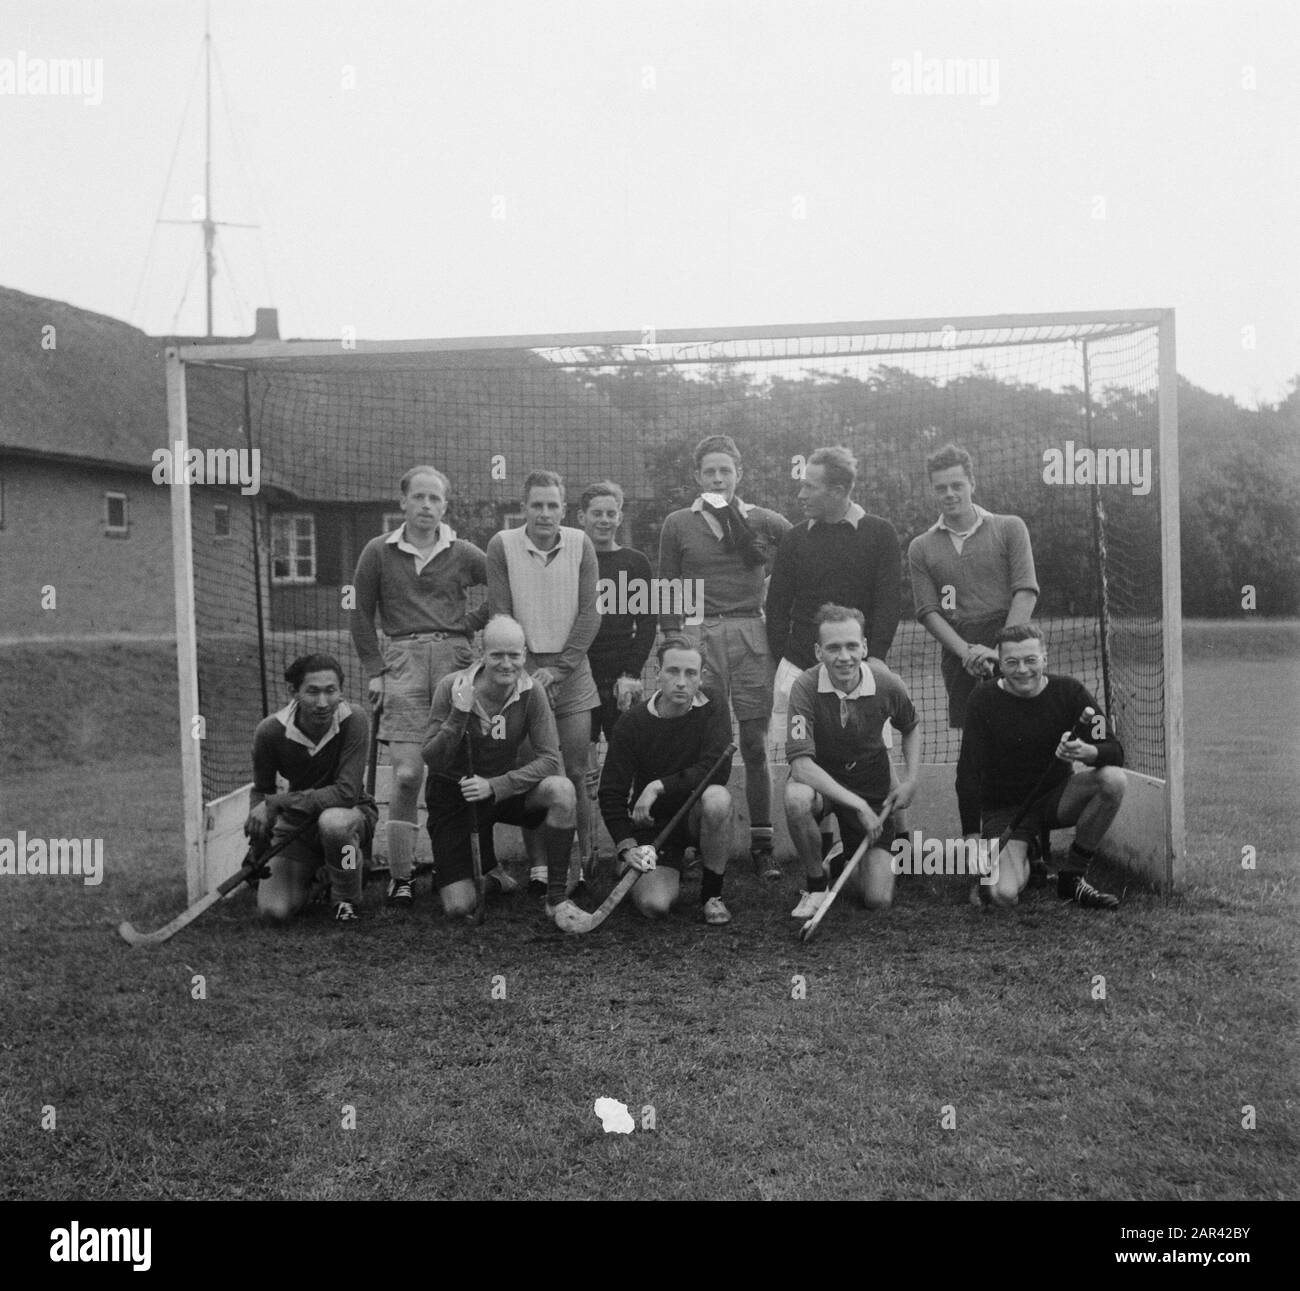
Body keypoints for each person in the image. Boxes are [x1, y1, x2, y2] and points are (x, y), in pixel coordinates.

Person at [349, 465, 507, 905]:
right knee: (405, 775)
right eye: (418, 497)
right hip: (402, 661)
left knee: (457, 770)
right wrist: (376, 668)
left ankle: (458, 868)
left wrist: (467, 626)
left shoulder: (463, 551)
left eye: (435, 499)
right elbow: (360, 613)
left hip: (455, 661)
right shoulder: (378, 551)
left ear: (445, 505)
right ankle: (401, 876)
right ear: (402, 502)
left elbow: (501, 588)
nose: (426, 506)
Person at [657, 434, 791, 880]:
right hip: (698, 633)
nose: (718, 478)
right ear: (697, 476)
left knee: (754, 742)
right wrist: (674, 637)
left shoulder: (762, 520)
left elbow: (802, 552)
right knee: (701, 743)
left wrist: (775, 583)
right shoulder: (678, 522)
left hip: (753, 632)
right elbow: (667, 586)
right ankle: (697, 840)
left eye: (726, 471)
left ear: (739, 475)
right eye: (710, 471)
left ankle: (763, 843)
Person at [907, 443, 1039, 841]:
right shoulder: (921, 546)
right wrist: (966, 652)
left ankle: (1032, 844)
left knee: (1025, 747)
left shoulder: (1009, 527)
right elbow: (928, 610)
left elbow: (1026, 591)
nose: (949, 494)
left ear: (972, 483)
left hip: (1013, 647)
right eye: (940, 488)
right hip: (960, 656)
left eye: (956, 485)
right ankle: (972, 844)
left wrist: (1002, 650)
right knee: (973, 755)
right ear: (932, 491)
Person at [421, 615, 580, 925]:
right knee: (459, 907)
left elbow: (550, 761)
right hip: (454, 794)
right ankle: (492, 877)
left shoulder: (532, 691)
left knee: (562, 790)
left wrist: (495, 785)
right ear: (483, 653)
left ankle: (557, 899)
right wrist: (458, 715)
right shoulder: (451, 686)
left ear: (524, 654)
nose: (507, 664)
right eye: (497, 655)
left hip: (498, 791)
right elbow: (432, 759)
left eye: (515, 655)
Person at [485, 472, 601, 895]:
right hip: (520, 670)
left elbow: (591, 613)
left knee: (577, 770)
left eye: (553, 506)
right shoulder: (501, 545)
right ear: (524, 507)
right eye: (537, 505)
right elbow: (500, 613)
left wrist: (560, 669)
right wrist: (530, 671)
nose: (545, 513)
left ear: (564, 510)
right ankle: (539, 866)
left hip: (572, 672)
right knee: (534, 772)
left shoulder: (581, 544)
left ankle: (583, 864)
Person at [959, 623, 1125, 909]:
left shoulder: (1071, 692)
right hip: (1005, 809)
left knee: (1113, 780)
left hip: (1055, 798)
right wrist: (972, 837)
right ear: (1001, 662)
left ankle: (1072, 878)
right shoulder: (982, 699)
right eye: (1011, 662)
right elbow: (967, 772)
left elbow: (1114, 750)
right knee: (1003, 895)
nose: (1022, 669)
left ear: (1044, 658)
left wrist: (1087, 751)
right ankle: (1030, 854)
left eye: (1030, 660)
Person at [783, 606, 920, 919]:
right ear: (818, 651)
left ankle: (844, 855)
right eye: (833, 648)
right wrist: (857, 806)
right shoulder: (804, 687)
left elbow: (910, 727)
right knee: (795, 798)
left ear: (865, 647)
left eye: (851, 646)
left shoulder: (887, 683)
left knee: (877, 899)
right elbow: (802, 767)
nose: (843, 656)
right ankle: (817, 886)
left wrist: (911, 780)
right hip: (823, 783)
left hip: (871, 785)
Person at [598, 637, 736, 924]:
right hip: (655, 826)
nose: (682, 682)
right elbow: (611, 792)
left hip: (694, 817)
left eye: (691, 673)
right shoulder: (632, 722)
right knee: (655, 905)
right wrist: (626, 847)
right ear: (657, 673)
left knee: (718, 798)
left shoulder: (713, 704)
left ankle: (712, 896)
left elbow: (716, 769)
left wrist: (658, 785)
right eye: (673, 671)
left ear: (701, 677)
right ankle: (658, 863)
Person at [246, 653, 379, 924]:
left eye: (331, 691)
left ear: (341, 691)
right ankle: (323, 875)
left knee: (333, 822)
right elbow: (262, 792)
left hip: (350, 814)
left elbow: (345, 794)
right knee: (274, 912)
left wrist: (279, 802)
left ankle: (346, 899)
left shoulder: (354, 720)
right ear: (293, 692)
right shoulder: (269, 732)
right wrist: (258, 847)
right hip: (298, 823)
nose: (322, 703)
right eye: (312, 692)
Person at [578, 480, 656, 858]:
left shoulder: (635, 562)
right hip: (579, 679)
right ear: (581, 517)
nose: (605, 520)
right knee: (583, 766)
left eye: (611, 513)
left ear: (620, 516)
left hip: (620, 679)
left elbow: (648, 624)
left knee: (630, 763)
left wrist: (632, 672)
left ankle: (637, 848)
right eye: (597, 513)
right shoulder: (572, 558)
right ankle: (587, 852)